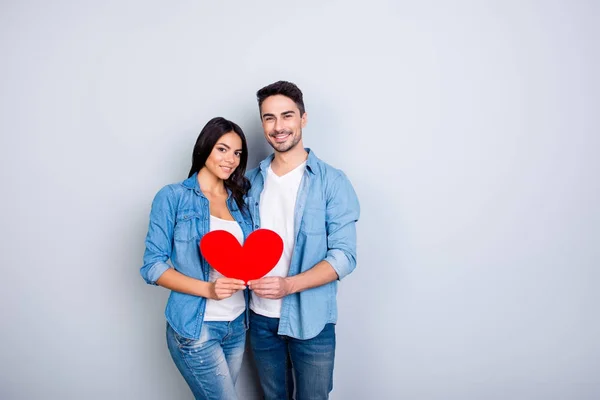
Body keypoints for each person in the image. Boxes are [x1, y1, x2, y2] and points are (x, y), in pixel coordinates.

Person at [246, 81, 360, 399]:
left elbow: (344, 256)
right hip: (260, 317)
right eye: (269, 118)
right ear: (262, 123)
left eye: (287, 116)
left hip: (312, 320)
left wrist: (289, 285)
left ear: (303, 119)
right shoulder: (250, 182)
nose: (279, 126)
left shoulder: (332, 182)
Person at [140, 117, 253, 400]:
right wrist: (209, 290)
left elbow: (248, 260)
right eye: (222, 149)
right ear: (205, 148)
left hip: (237, 323)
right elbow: (152, 266)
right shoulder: (173, 197)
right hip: (196, 327)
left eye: (237, 153)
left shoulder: (239, 201)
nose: (231, 160)